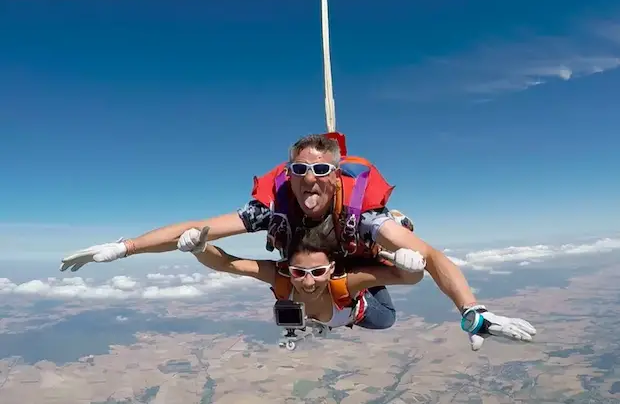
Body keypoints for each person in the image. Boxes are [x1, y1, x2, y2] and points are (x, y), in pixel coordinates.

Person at [60, 133, 537, 350]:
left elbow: (430, 258)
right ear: (288, 175)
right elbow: (198, 231)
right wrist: (124, 248)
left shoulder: (364, 216)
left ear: (335, 176)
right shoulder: (271, 210)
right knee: (297, 284)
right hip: (309, 271)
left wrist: (470, 310)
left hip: (352, 266)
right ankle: (310, 315)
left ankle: (335, 306)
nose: (309, 180)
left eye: (321, 170)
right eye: (299, 170)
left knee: (392, 261)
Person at [188, 216, 426, 330]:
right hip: (332, 315)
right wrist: (201, 249)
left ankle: (383, 237)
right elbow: (227, 264)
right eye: (299, 272)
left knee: (387, 320)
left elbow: (406, 279)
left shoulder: (347, 282)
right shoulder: (278, 275)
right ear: (287, 268)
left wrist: (411, 266)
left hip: (359, 310)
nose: (309, 282)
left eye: (318, 271)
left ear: (331, 268)